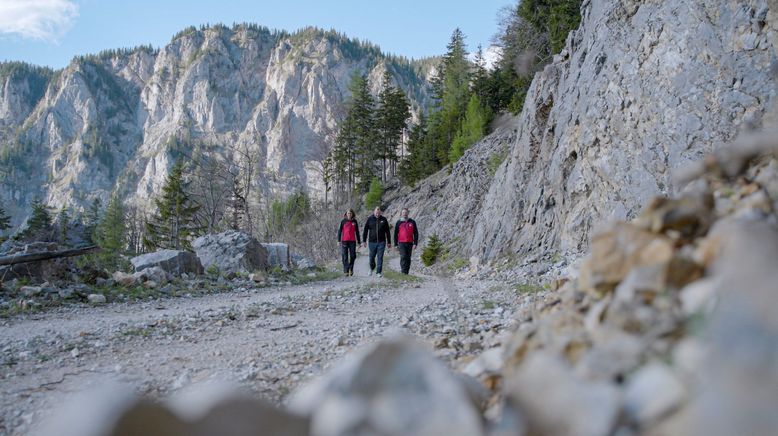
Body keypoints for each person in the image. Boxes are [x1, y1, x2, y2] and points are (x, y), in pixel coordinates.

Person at [362, 206, 391, 277]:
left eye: (379, 213)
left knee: (380, 257)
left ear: (380, 212)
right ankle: (371, 268)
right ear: (374, 212)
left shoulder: (383, 219)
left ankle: (378, 272)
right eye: (376, 213)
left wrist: (389, 242)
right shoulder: (370, 219)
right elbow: (365, 230)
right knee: (371, 257)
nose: (377, 214)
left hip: (382, 242)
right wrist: (364, 241)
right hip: (372, 242)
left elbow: (387, 231)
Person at [394, 208, 419, 274]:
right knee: (403, 256)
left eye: (406, 212)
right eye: (403, 212)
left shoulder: (412, 222)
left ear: (408, 213)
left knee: (408, 257)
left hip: (410, 242)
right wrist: (395, 244)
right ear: (401, 214)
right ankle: (403, 271)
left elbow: (416, 233)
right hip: (401, 243)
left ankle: (406, 272)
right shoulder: (399, 222)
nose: (404, 214)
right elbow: (395, 234)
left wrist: (415, 243)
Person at [337, 208, 361, 276]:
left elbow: (357, 232)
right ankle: (346, 270)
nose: (349, 214)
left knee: (353, 256)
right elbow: (339, 231)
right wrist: (338, 240)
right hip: (344, 241)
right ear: (346, 214)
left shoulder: (355, 221)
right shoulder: (343, 221)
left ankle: (351, 268)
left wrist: (359, 242)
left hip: (352, 241)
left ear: (352, 214)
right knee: (345, 256)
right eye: (348, 213)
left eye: (350, 213)